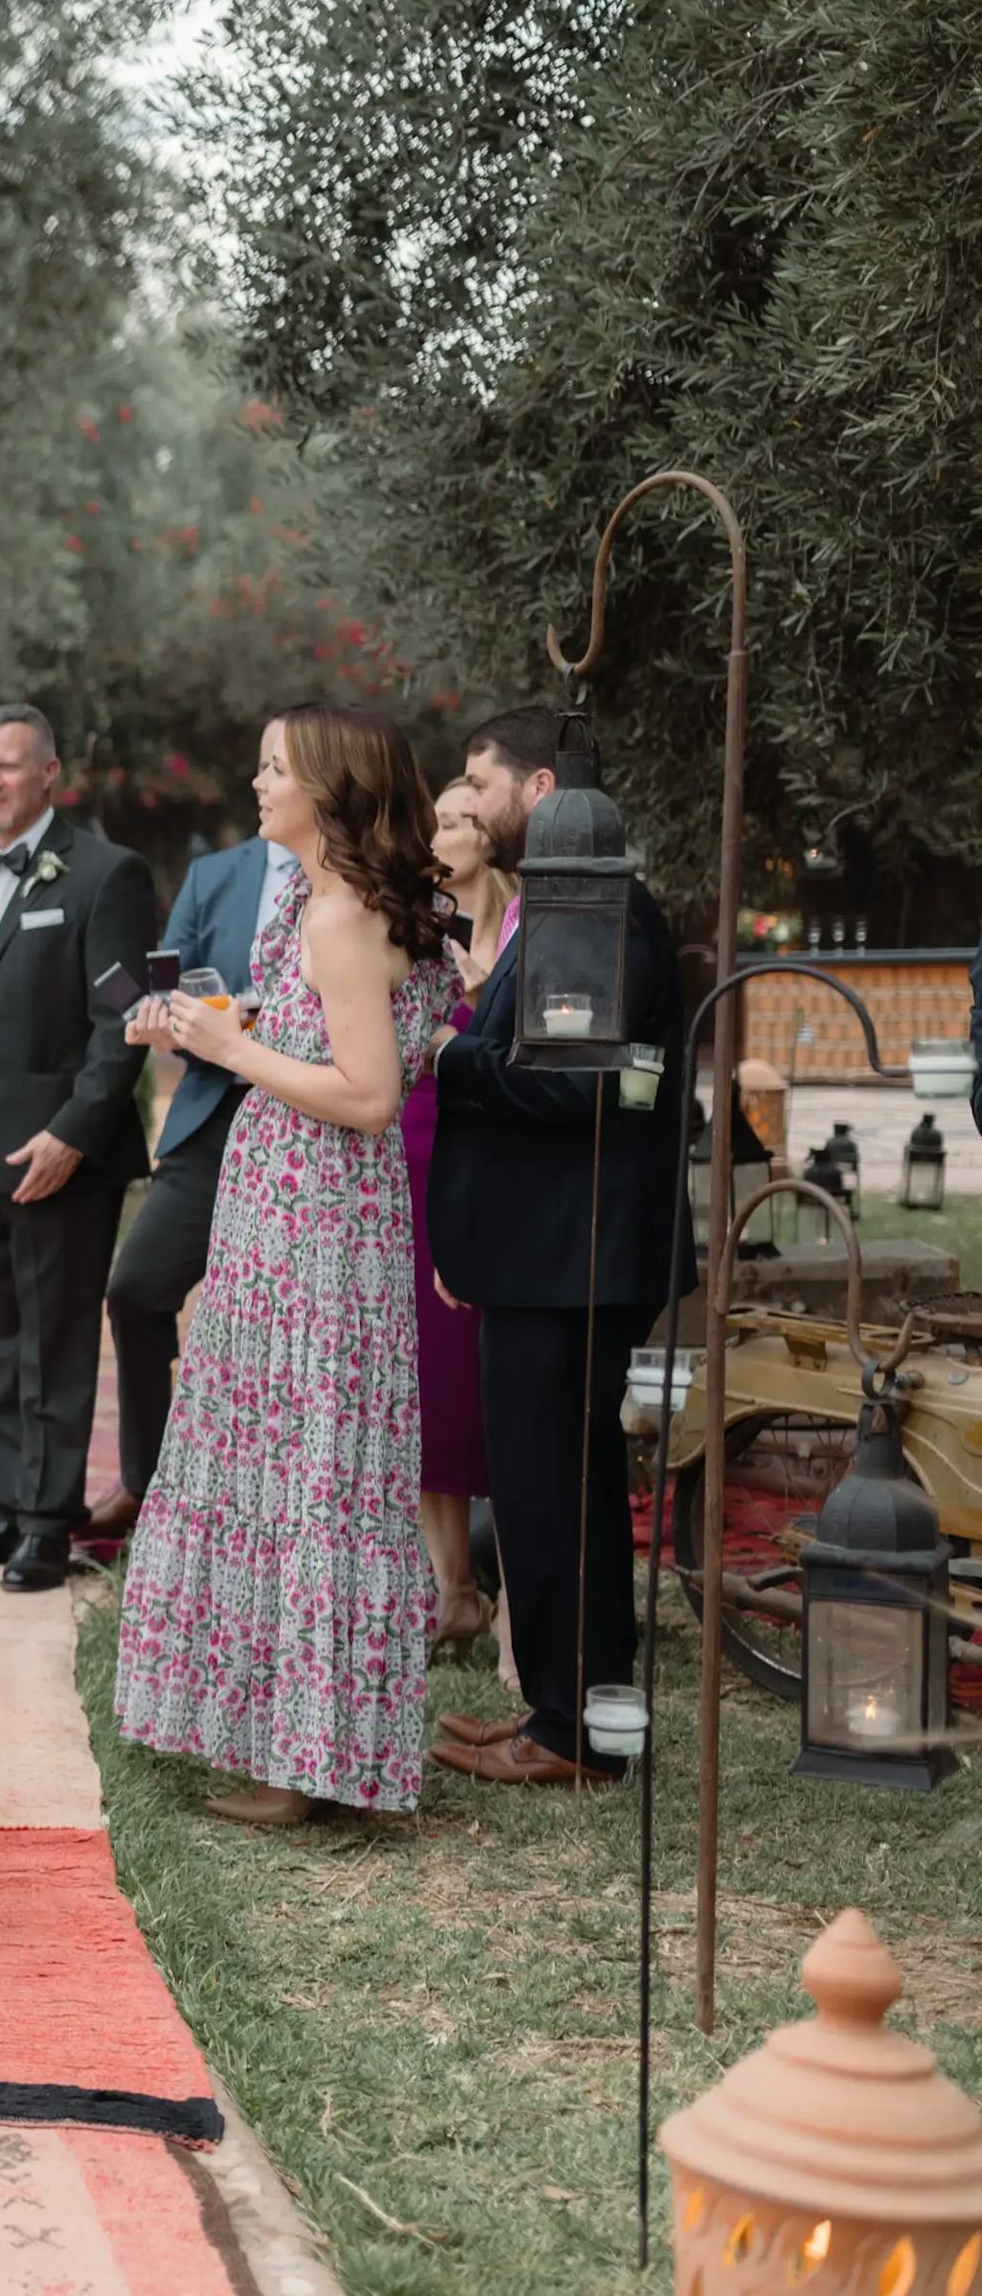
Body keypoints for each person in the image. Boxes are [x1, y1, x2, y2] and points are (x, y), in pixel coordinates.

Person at [111, 707, 458, 1824]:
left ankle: (296, 1767)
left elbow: (367, 1092)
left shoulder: (345, 912)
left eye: (275, 766)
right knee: (308, 1465)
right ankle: (309, 1746)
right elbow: (337, 1035)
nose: (256, 780)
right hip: (306, 1212)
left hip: (313, 1217)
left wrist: (231, 1048)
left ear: (330, 788)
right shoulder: (337, 904)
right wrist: (216, 1018)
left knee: (302, 1469)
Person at [426, 707, 686, 1791]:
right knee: (545, 1491)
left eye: (479, 783)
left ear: (536, 789)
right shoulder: (566, 906)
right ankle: (557, 1707)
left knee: (558, 1496)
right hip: (543, 1254)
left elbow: (582, 1087)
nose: (467, 803)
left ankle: (573, 1732)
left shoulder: (601, 913)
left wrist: (453, 1054)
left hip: (568, 1259)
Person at [0, 703, 160, 1594]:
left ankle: (50, 1520)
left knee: (57, 1343)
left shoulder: (106, 874)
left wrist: (73, 1135)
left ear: (50, 773)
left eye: (9, 766)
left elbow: (120, 1025)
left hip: (61, 1157)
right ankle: (8, 1504)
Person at [94, 807, 296, 1544]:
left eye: (279, 766)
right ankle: (148, 1487)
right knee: (137, 1288)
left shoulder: (351, 881)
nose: (262, 781)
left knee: (280, 1325)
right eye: (265, 764)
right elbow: (166, 977)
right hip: (212, 1119)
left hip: (307, 1122)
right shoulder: (216, 875)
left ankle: (271, 1505)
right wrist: (161, 1016)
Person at [404, 782, 518, 1654]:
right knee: (431, 1382)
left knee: (493, 1386)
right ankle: (453, 1591)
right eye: (435, 821)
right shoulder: (416, 926)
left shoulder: (526, 929)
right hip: (415, 1149)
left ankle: (521, 1599)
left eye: (454, 820)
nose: (438, 836)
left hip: (494, 1156)